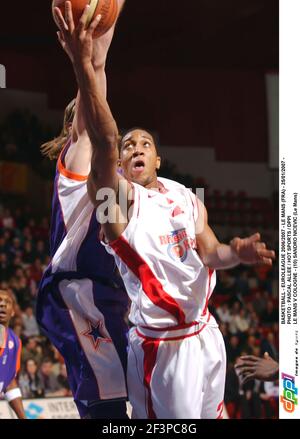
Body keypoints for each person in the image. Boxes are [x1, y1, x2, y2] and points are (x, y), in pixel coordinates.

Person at [54, 3, 276, 419]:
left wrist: (237, 253)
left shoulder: (185, 194)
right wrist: (85, 64)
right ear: (119, 165)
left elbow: (211, 252)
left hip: (206, 334)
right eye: (128, 146)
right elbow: (103, 139)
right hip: (162, 347)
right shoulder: (116, 201)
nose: (135, 147)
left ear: (159, 159)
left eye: (144, 143)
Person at [37, 0, 129, 419]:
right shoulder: (80, 153)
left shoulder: (119, 175)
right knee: (109, 410)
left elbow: (101, 65)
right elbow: (98, 71)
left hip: (110, 290)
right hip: (81, 292)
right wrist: (84, 56)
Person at [0, 289, 26, 419]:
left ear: (13, 312)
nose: (2, 304)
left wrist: (23, 417)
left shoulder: (15, 342)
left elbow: (9, 382)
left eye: (7, 302)